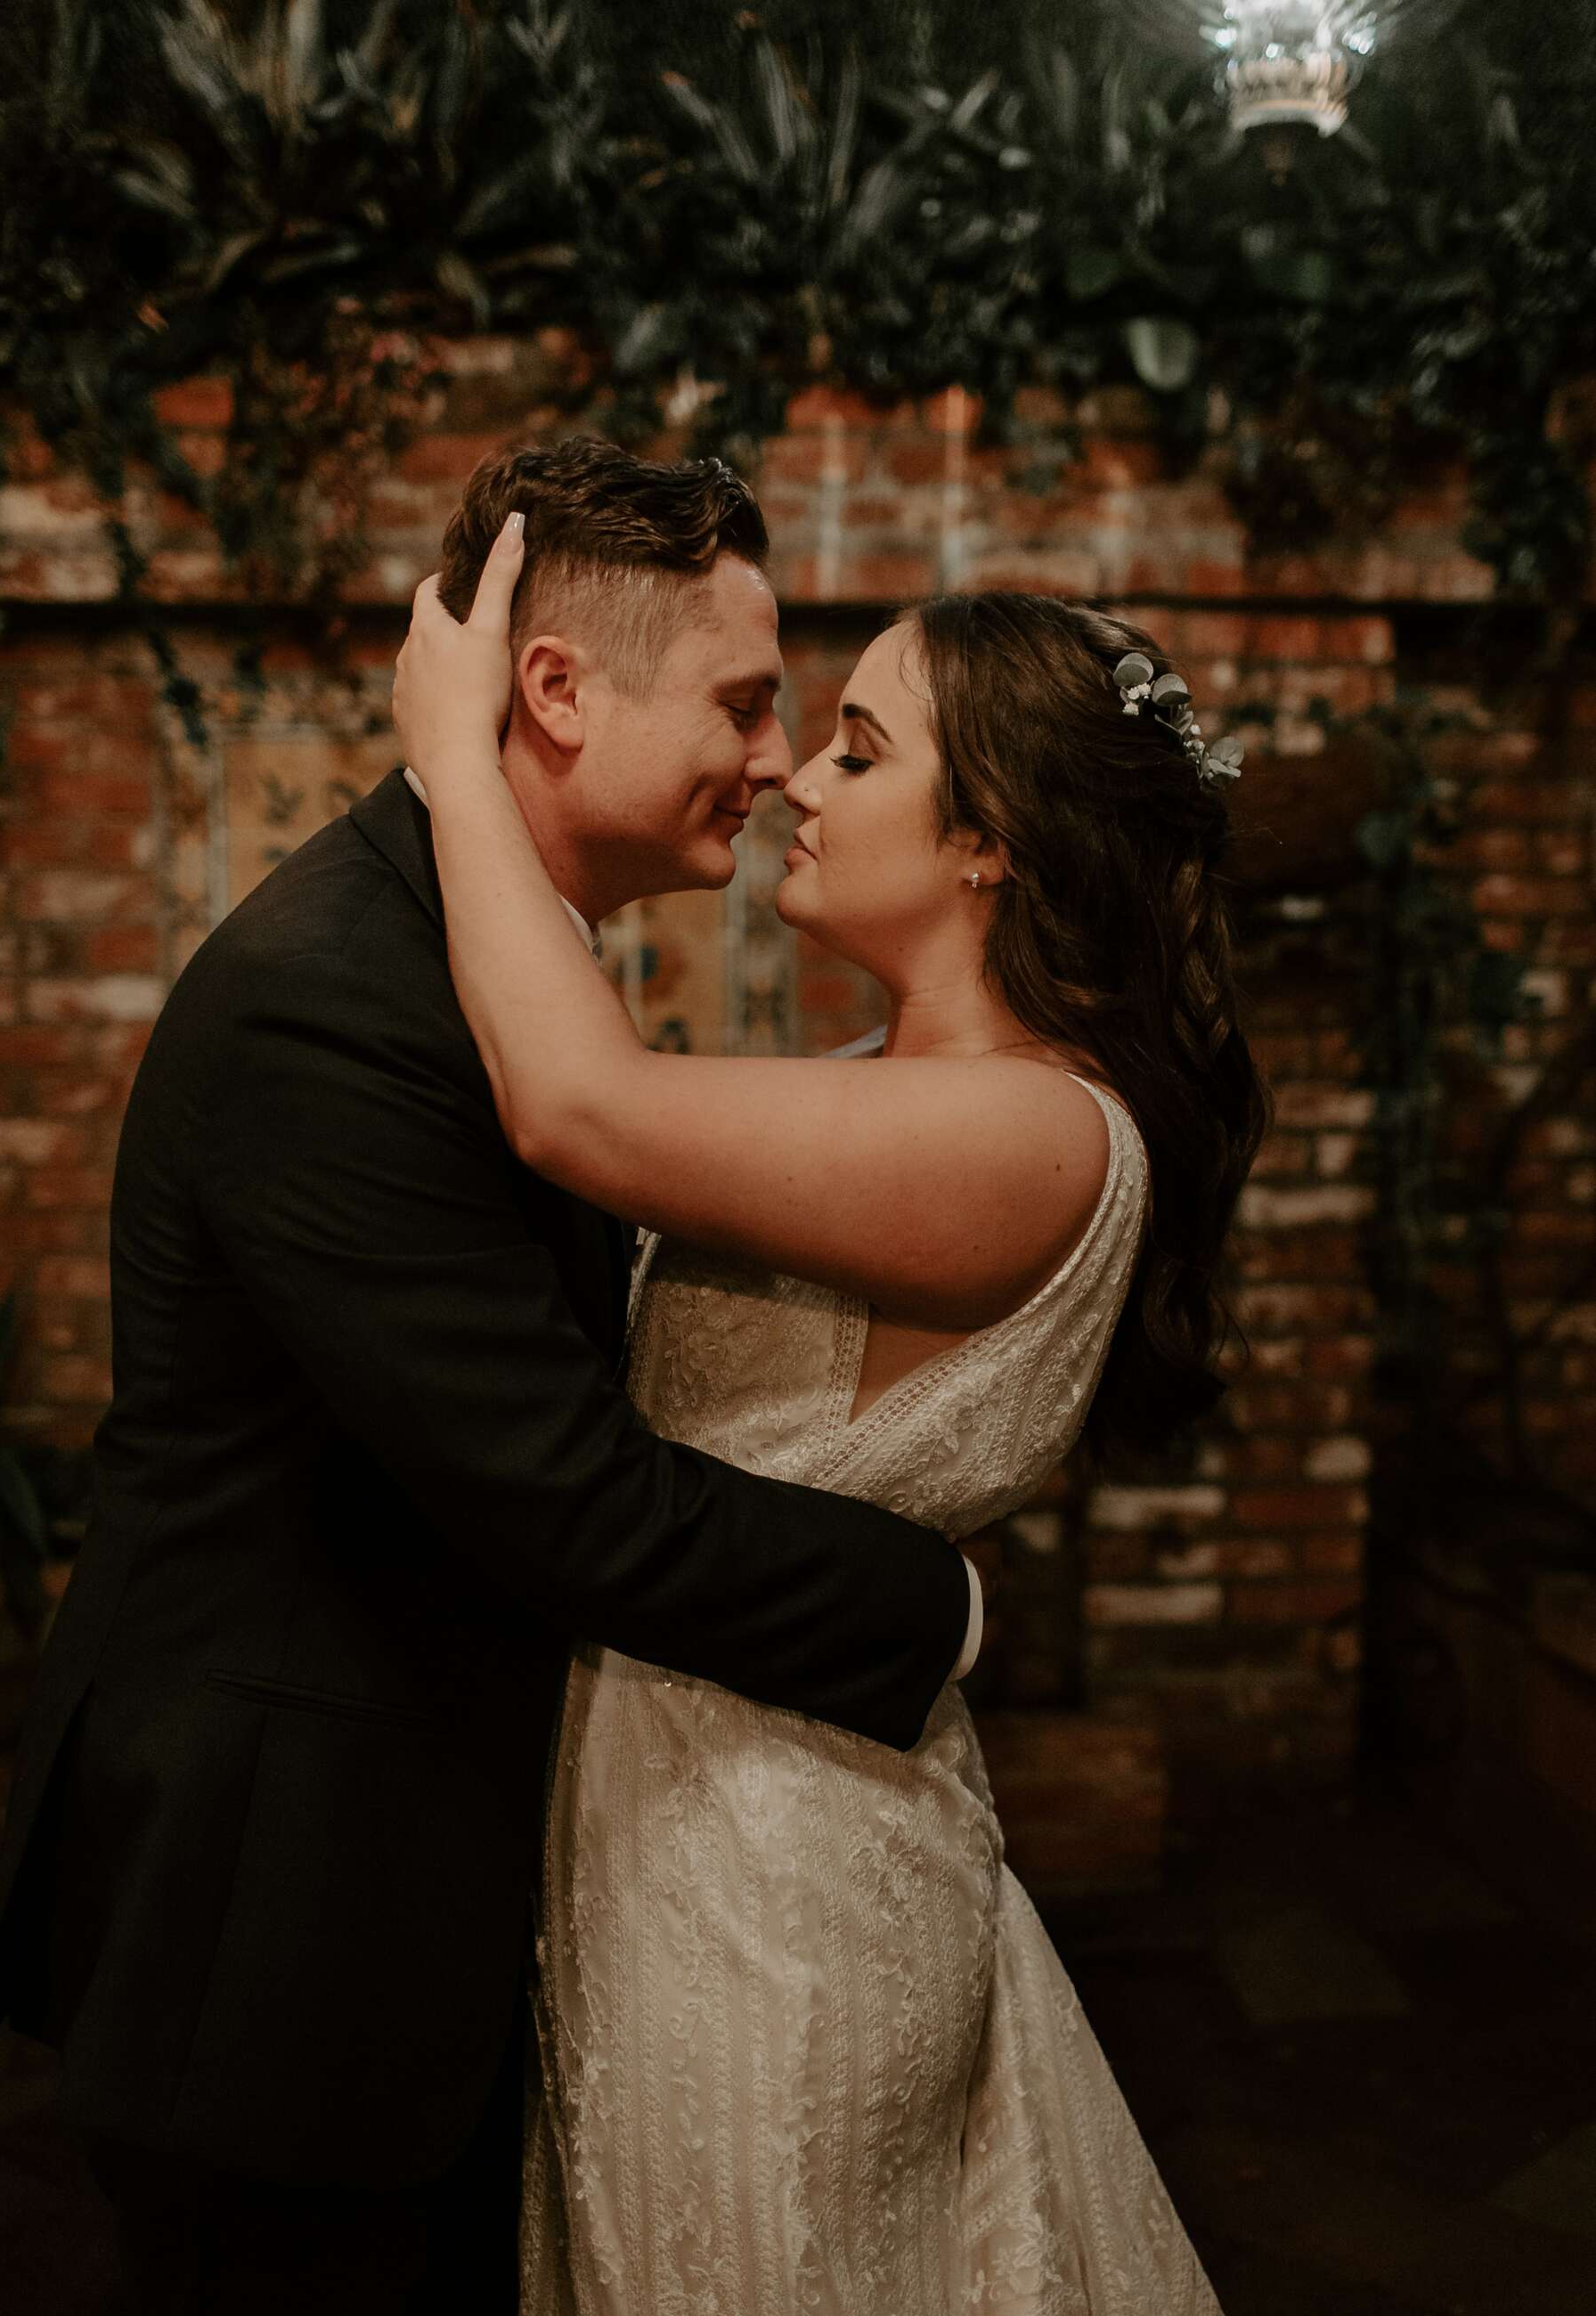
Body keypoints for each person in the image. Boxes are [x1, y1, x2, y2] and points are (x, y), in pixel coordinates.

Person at [0, 438, 986, 2315]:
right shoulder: (332, 999)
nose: (769, 763)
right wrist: (939, 1604)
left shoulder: (481, 962)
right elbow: (564, 1497)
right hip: (273, 1939)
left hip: (397, 1899)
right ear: (556, 689)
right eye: (748, 706)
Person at [391, 504, 1269, 2313]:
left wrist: (453, 761)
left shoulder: (1025, 1128)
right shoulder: (897, 1086)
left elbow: (580, 1108)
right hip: (701, 1826)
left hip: (774, 1885)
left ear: (989, 848)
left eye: (860, 749)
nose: (797, 776)